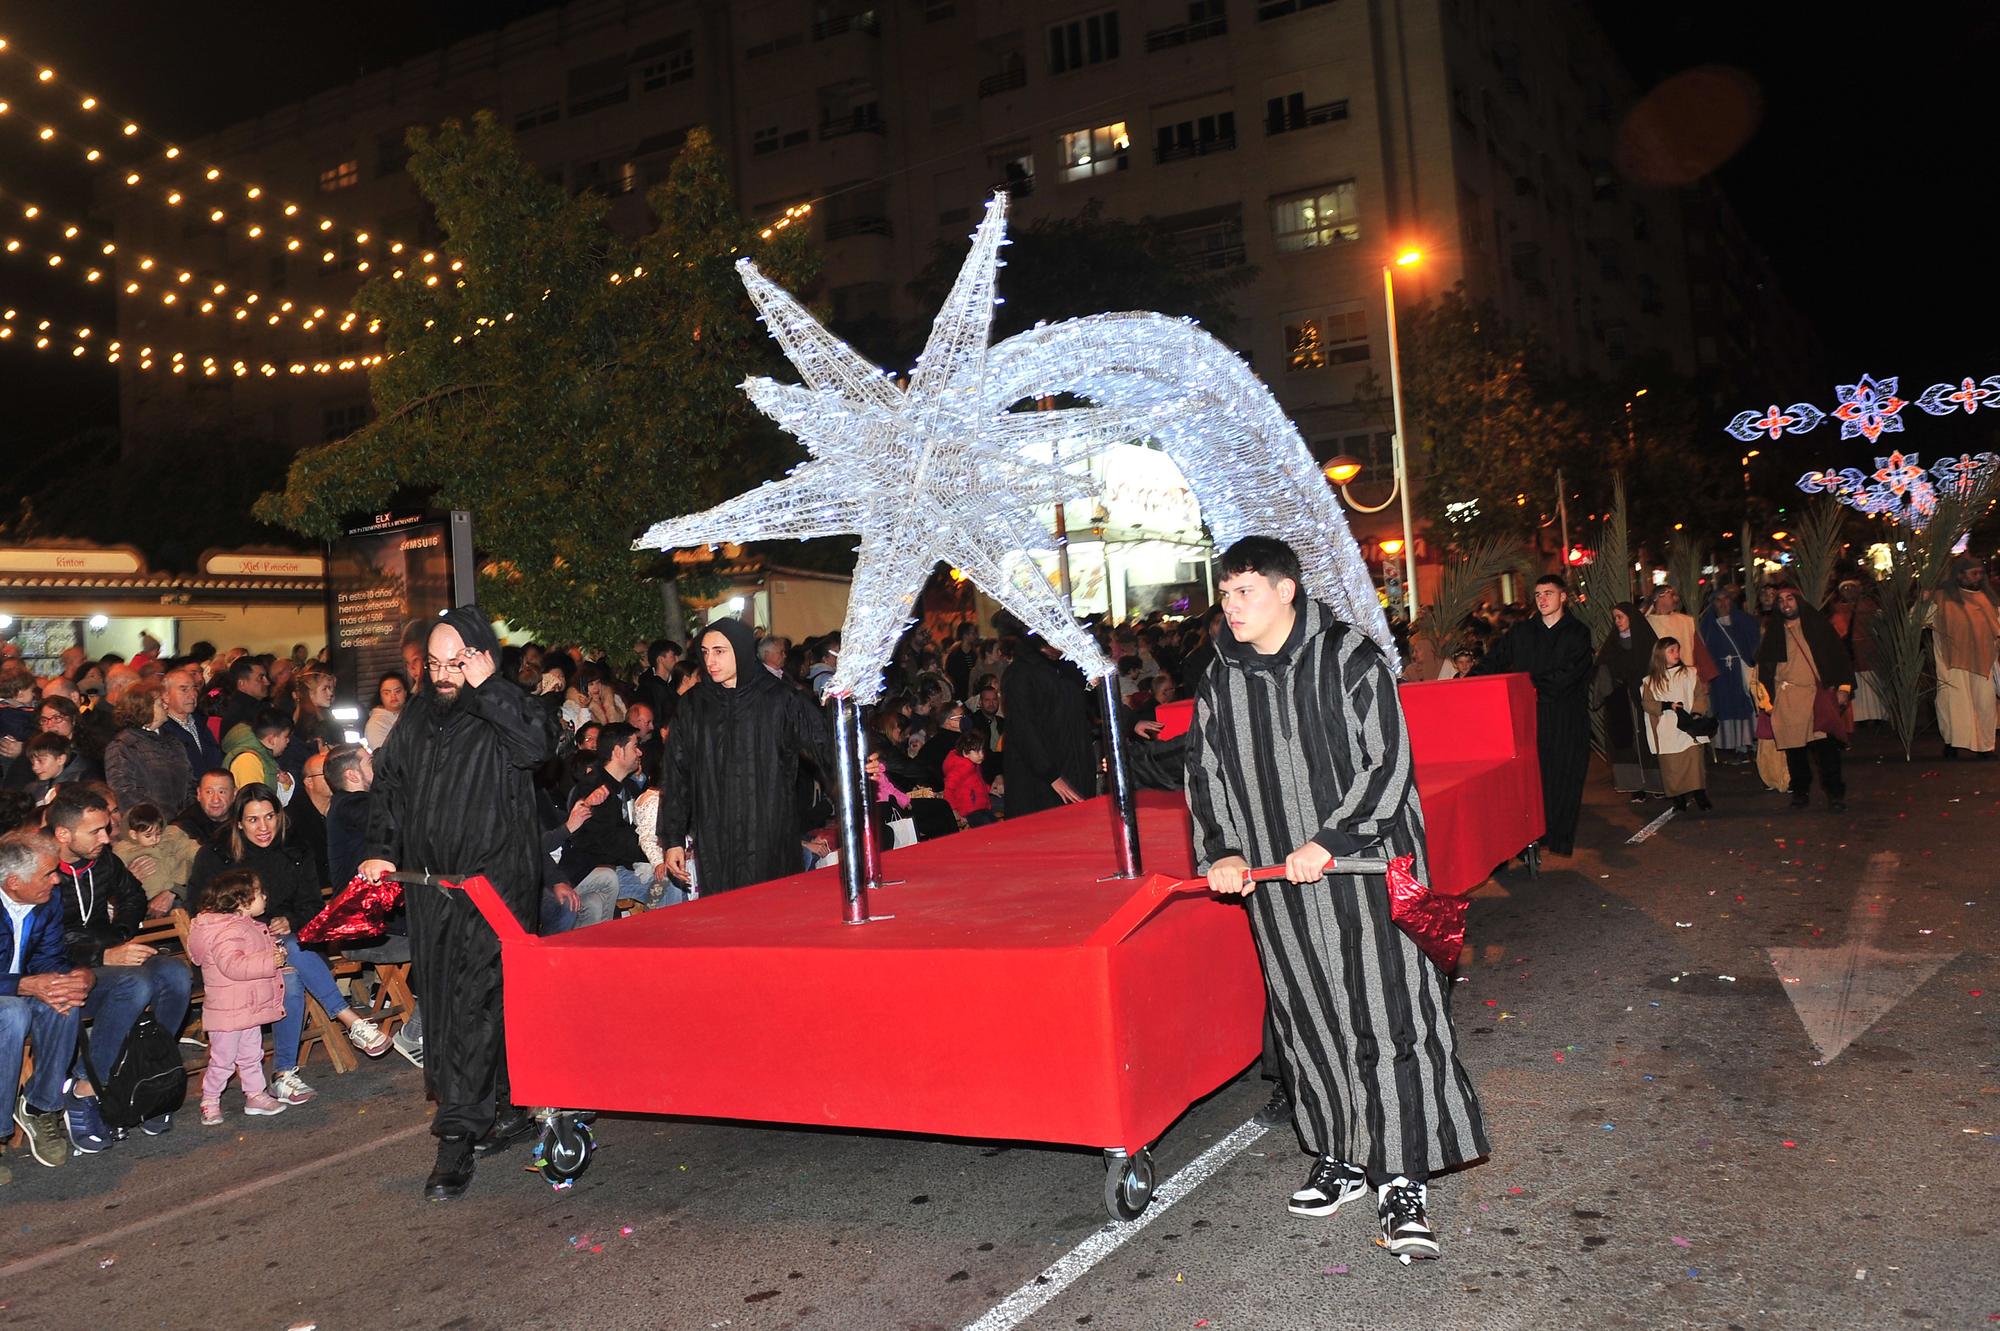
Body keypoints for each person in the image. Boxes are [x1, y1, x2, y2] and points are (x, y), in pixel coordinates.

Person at [1186, 537, 1486, 1263]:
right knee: (1308, 1020)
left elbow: (1390, 761)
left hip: (1365, 874)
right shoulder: (1218, 679)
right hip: (1281, 887)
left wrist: (1333, 836)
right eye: (1225, 594)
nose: (1231, 606)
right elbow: (1207, 774)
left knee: (1388, 1022)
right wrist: (1222, 850)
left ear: (1286, 591)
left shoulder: (1350, 657)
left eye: (1244, 591)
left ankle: (1403, 1179)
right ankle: (1342, 1153)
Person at [358, 606, 556, 1200]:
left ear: (480, 656)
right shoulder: (418, 713)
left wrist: (488, 687)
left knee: (472, 1000)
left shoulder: (505, 706)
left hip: (492, 890)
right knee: (450, 1003)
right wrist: (378, 848)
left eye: (456, 663)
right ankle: (503, 1103)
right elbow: (388, 785)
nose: (444, 675)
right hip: (429, 888)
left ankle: (455, 1137)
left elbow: (539, 746)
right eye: (435, 664)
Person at [188, 783, 393, 1105]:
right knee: (291, 952)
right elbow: (202, 911)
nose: (264, 827)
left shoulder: (295, 851)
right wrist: (256, 928)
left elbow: (312, 905)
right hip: (233, 953)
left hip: (286, 945)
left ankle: (284, 1074)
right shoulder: (216, 857)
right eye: (253, 820)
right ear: (239, 822)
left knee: (291, 967)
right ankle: (348, 1020)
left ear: (279, 816)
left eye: (270, 817)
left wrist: (291, 921)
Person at [47, 789, 191, 1148]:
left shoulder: (102, 861)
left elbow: (133, 895)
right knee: (136, 984)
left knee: (176, 974)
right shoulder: (41, 870)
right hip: (63, 971)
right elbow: (42, 938)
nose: (107, 837)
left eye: (106, 828)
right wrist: (103, 955)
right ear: (63, 835)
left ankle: (148, 1073)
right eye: (95, 831)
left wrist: (120, 935)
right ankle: (84, 1088)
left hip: (106, 959)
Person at [656, 618, 834, 895]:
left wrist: (857, 764)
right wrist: (673, 838)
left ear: (740, 650)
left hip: (769, 827)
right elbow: (677, 773)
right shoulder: (694, 705)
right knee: (726, 917)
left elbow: (824, 744)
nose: (710, 660)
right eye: (705, 652)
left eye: (719, 651)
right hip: (715, 832)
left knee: (771, 910)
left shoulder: (778, 698)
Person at [1470, 574, 1595, 856]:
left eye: (1548, 593)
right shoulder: (1522, 632)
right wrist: (1467, 679)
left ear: (1563, 597)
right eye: (1538, 594)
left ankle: (1559, 837)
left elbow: (1571, 674)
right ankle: (1531, 837)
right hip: (1529, 719)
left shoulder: (1578, 633)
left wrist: (1529, 684)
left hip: (1566, 718)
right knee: (1532, 779)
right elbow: (1495, 661)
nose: (1542, 599)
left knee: (1564, 778)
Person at [2, 829, 89, 1171]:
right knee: (11, 1015)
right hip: (10, 997)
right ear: (13, 882)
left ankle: (41, 1106)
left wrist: (63, 981)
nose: (57, 880)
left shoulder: (46, 900)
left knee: (63, 1004)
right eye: (48, 874)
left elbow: (50, 959)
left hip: (22, 989)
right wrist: (25, 984)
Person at [186, 868, 291, 1125]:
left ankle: (255, 1094)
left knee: (252, 1054)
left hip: (247, 1005)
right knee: (223, 1059)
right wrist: (270, 960)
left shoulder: (244, 926)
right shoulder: (228, 931)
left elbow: (249, 950)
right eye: (258, 893)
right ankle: (209, 1099)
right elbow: (233, 966)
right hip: (228, 1010)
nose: (264, 896)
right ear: (241, 902)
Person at [1756, 579, 1855, 811]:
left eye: (1789, 598)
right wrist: (1768, 701)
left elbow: (1840, 659)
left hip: (1816, 697)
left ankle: (1835, 794)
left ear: (1798, 601)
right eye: (1780, 600)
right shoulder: (1774, 634)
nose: (1785, 604)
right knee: (1795, 752)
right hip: (1788, 699)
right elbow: (1766, 670)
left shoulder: (1819, 627)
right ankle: (1800, 792)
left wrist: (1843, 689)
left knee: (1827, 750)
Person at [999, 626, 1096, 819]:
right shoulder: (1020, 674)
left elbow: (1088, 709)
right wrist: (1051, 775)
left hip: (1073, 767)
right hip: (1041, 779)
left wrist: (1130, 722)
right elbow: (1023, 728)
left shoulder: (1066, 669)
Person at [1933, 555, 1997, 760]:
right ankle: (1951, 743)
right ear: (1960, 575)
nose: (1978, 577)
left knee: (1984, 705)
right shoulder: (1941, 598)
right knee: (1953, 704)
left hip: (1984, 661)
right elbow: (1917, 619)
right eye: (1973, 573)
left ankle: (1984, 747)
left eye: (1980, 573)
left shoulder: (1989, 599)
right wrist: (1924, 599)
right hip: (1952, 663)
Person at [1594, 604, 1660, 801]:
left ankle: (1655, 783)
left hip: (1645, 699)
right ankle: (1634, 785)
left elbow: (1657, 667)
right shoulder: (1612, 644)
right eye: (1615, 618)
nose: (1618, 622)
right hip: (1621, 701)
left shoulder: (1647, 641)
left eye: (1621, 617)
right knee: (1627, 742)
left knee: (1650, 740)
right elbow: (1603, 669)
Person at [1641, 638, 1713, 813]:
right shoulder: (1650, 681)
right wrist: (1667, 705)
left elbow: (1700, 696)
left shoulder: (1689, 673)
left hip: (1689, 727)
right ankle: (1677, 798)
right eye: (1671, 651)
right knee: (1671, 767)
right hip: (1667, 729)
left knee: (1694, 763)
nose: (1677, 654)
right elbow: (1647, 703)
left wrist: (1697, 713)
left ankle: (1700, 795)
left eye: (1677, 650)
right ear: (1660, 655)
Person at [1697, 587, 1760, 761]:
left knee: (1747, 705)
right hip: (1722, 676)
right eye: (1718, 600)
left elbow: (1754, 644)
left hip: (1742, 671)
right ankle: (1737, 746)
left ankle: (1753, 742)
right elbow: (1704, 651)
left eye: (1726, 599)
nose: (1723, 603)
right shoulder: (1707, 626)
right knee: (1727, 705)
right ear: (1713, 604)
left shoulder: (1745, 621)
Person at [112, 802, 200, 909]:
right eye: (148, 835)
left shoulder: (171, 837)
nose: (154, 838)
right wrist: (127, 878)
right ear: (134, 834)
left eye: (158, 833)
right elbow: (115, 879)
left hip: (181, 891)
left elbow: (191, 849)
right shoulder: (124, 851)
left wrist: (201, 854)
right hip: (148, 900)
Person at [160, 665, 225, 778]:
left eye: (194, 688)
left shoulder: (200, 722)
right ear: (166, 696)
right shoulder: (161, 730)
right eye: (184, 689)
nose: (193, 695)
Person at [223, 707, 296, 807]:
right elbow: (254, 805)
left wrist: (284, 785)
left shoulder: (262, 757)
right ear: (271, 740)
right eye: (286, 737)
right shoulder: (248, 761)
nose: (288, 741)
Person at [942, 730, 996, 828]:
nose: (982, 755)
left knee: (993, 823)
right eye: (977, 752)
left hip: (980, 805)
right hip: (970, 810)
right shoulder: (961, 767)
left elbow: (977, 783)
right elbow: (948, 790)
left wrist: (989, 789)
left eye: (982, 750)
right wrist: (954, 811)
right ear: (965, 753)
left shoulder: (973, 763)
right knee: (988, 827)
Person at [175, 769, 236, 850]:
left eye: (222, 792)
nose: (215, 799)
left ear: (234, 794)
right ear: (199, 794)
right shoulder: (183, 829)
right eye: (209, 792)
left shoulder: (244, 820)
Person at [365, 671, 410, 751]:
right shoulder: (376, 723)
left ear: (405, 692)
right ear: (380, 696)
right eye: (387, 693)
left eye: (397, 691)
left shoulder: (412, 712)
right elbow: (382, 756)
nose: (393, 696)